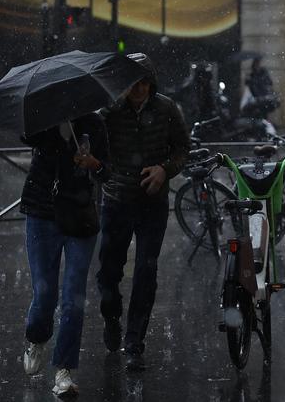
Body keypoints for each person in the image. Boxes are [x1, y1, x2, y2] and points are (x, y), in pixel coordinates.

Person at [95, 53, 191, 371]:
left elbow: (182, 148)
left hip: (153, 203)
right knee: (109, 271)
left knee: (146, 273)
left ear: (152, 83)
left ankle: (135, 341)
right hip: (116, 201)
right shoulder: (109, 111)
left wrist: (164, 170)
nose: (139, 89)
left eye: (144, 83)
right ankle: (111, 316)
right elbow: (92, 144)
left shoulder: (165, 109)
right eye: (133, 83)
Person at [19, 113, 109, 398]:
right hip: (42, 212)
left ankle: (64, 370)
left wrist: (94, 164)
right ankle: (36, 338)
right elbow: (25, 136)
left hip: (80, 215)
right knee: (44, 295)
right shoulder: (44, 120)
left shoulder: (94, 124)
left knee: (73, 299)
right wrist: (50, 125)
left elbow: (108, 170)